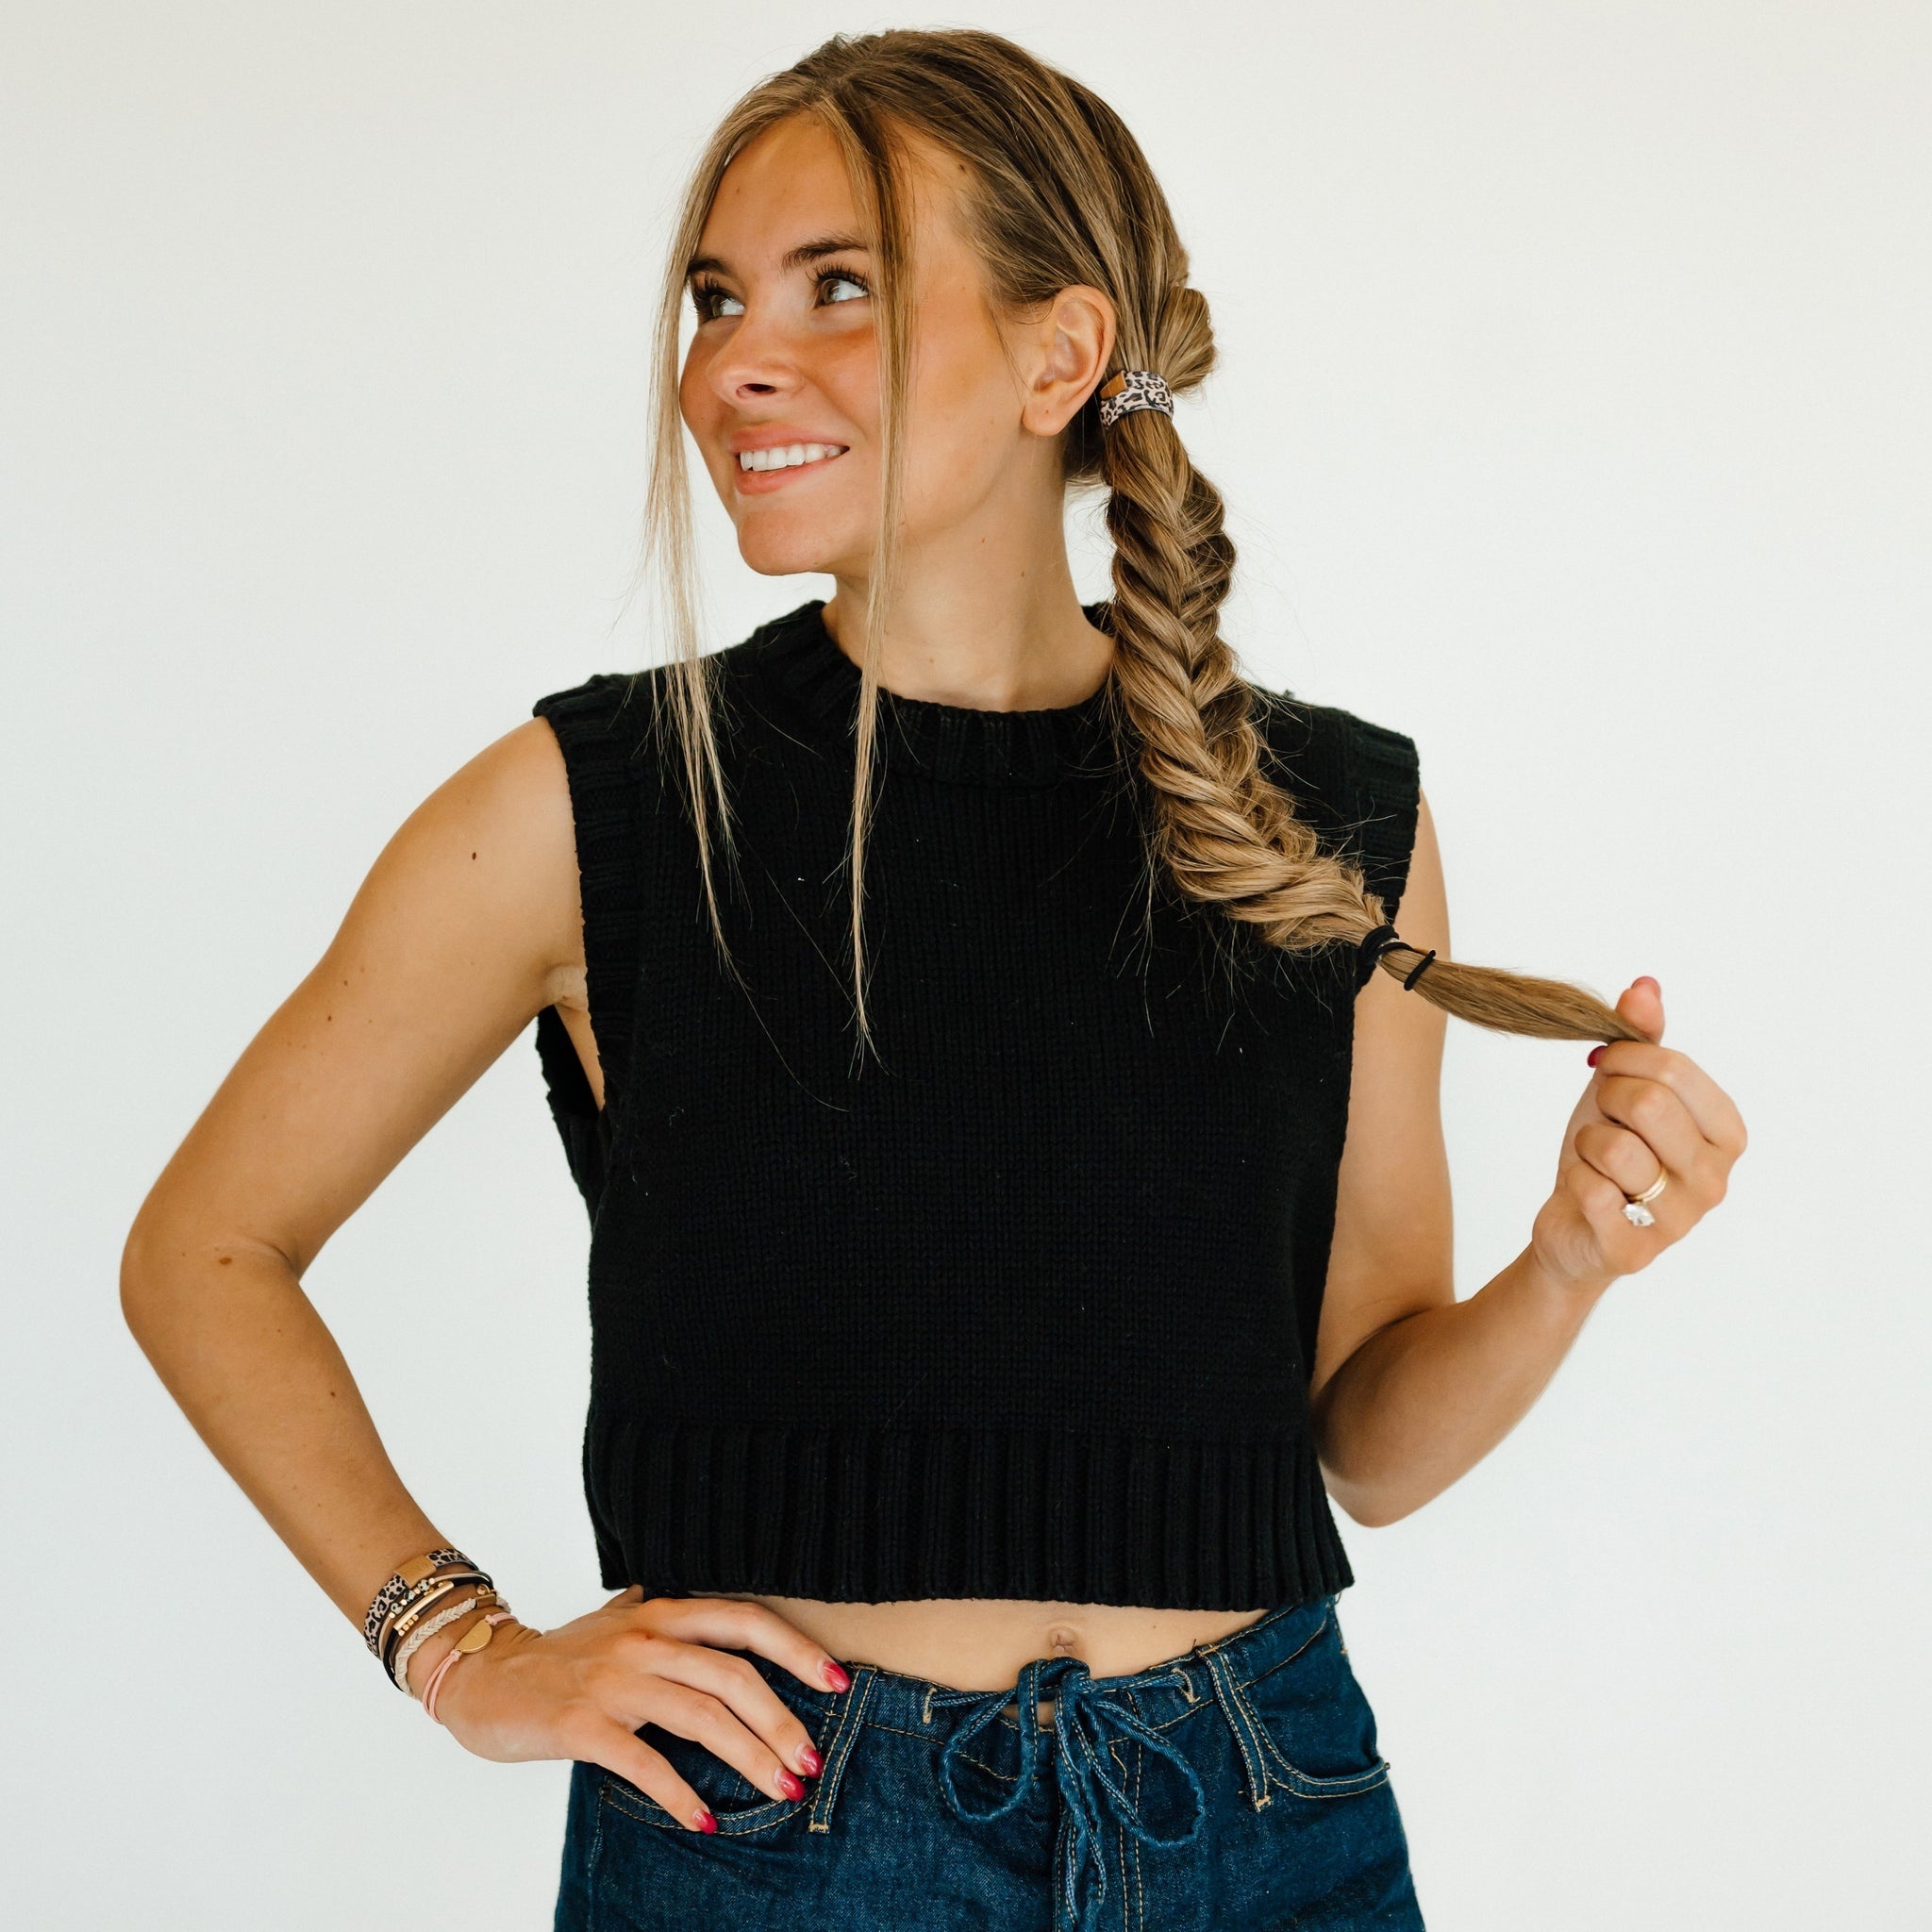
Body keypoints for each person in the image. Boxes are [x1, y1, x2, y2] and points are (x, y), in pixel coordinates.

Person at [120, 26, 1748, 1932]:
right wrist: (457, 1646)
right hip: (782, 1833)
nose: (734, 363)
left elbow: (1365, 1446)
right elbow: (205, 1247)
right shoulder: (602, 801)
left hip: (1266, 1815)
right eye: (716, 298)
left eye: (839, 288)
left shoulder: (1319, 815)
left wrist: (1568, 1260)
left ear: (1061, 357)